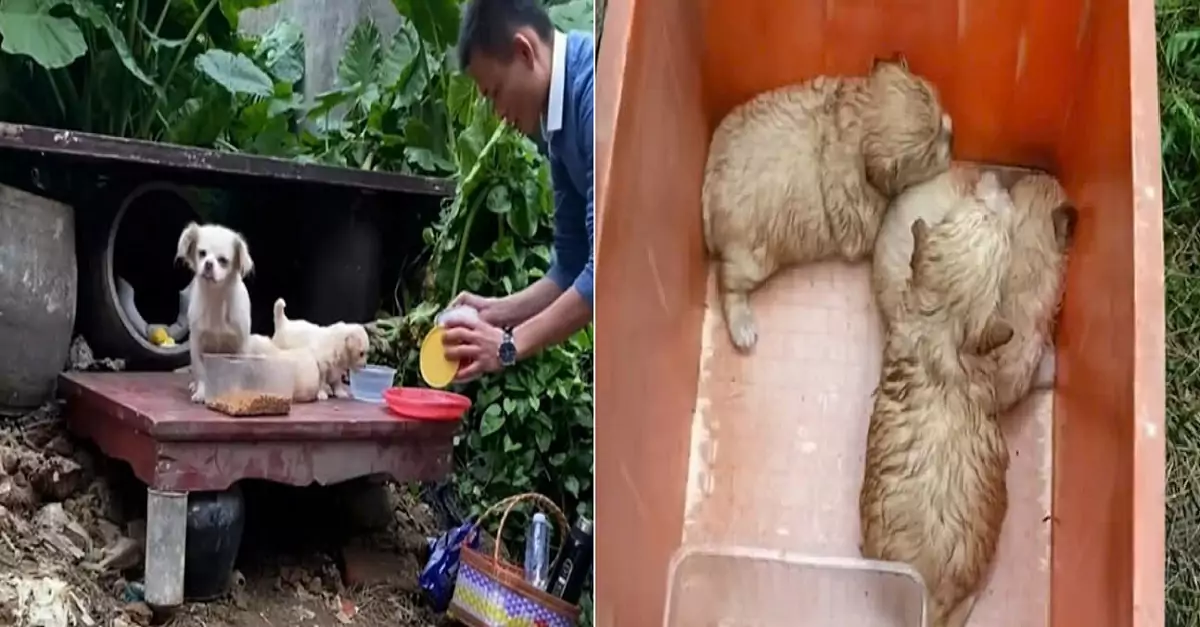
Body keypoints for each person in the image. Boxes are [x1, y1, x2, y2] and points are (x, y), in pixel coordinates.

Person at [441, 0, 594, 382]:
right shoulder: (557, 122)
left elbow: (605, 271)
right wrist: (496, 312)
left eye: (494, 93)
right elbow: (572, 265)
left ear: (524, 51)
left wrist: (508, 345)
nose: (496, 112)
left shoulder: (595, 93)